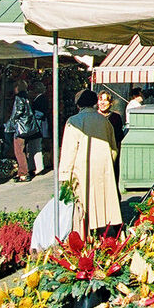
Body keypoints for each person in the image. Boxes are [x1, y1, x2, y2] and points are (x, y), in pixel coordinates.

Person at [58, 89, 122, 236]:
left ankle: (84, 235)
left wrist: (64, 175)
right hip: (103, 168)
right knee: (101, 200)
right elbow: (114, 148)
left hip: (82, 168)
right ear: (94, 103)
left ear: (78, 105)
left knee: (83, 203)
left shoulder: (73, 122)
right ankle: (102, 231)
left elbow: (69, 151)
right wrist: (108, 164)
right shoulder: (104, 121)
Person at [4, 82, 35, 182]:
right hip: (26, 127)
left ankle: (23, 173)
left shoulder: (19, 98)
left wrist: (11, 122)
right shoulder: (27, 97)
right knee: (23, 150)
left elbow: (18, 111)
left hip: (20, 128)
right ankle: (22, 171)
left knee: (18, 151)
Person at [97, 90, 126, 183]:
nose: (102, 103)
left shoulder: (115, 117)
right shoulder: (94, 117)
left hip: (111, 152)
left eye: (105, 100)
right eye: (100, 99)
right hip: (97, 154)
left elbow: (119, 137)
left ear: (110, 103)